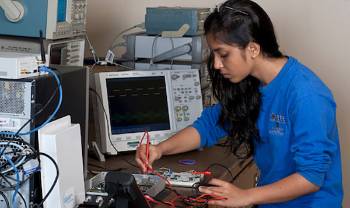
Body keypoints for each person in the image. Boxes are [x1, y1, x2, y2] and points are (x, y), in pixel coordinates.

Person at [135, 0, 343, 207]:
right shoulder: (252, 83)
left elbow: (311, 177)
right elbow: (208, 125)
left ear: (252, 49)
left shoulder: (307, 95)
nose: (216, 64)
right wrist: (160, 149)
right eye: (214, 54)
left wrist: (247, 196)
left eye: (223, 54)